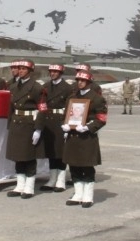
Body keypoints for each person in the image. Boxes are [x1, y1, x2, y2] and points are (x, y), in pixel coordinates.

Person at [62, 70, 108, 208]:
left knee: (87, 166)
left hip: (87, 137)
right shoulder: (72, 98)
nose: (80, 83)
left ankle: (87, 195)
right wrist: (65, 125)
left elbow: (101, 119)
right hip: (72, 136)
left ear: (88, 82)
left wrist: (88, 127)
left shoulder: (96, 98)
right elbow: (66, 114)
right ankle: (78, 193)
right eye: (78, 80)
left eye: (82, 81)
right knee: (74, 165)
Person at [5, 59, 46, 199]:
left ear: (30, 71)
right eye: (19, 68)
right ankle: (20, 185)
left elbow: (42, 109)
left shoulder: (37, 88)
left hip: (29, 124)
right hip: (17, 123)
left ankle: (29, 187)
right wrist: (9, 124)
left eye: (23, 69)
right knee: (18, 156)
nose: (20, 71)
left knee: (29, 157)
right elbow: (10, 107)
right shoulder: (13, 87)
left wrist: (38, 129)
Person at [39, 63, 74, 192]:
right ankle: (52, 179)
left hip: (60, 121)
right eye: (51, 71)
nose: (52, 73)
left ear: (60, 73)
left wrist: (68, 125)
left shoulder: (67, 88)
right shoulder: (46, 87)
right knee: (51, 152)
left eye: (55, 72)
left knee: (60, 152)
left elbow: (71, 108)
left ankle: (60, 180)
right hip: (48, 121)